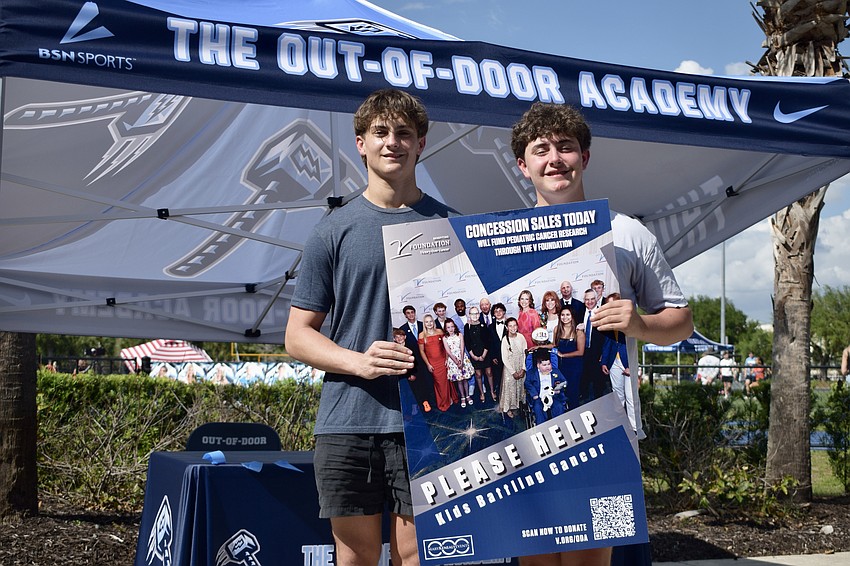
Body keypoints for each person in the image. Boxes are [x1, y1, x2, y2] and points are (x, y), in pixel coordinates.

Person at [511, 101, 692, 566]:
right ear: (522, 164)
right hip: (530, 432)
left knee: (596, 559)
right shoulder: (499, 243)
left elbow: (682, 320)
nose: (555, 159)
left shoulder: (627, 233)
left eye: (566, 148)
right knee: (537, 555)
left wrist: (640, 325)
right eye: (541, 149)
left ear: (585, 158)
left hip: (607, 429)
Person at [284, 88, 454, 566]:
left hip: (427, 419)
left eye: (404, 133)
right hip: (348, 420)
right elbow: (297, 335)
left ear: (421, 143)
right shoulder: (332, 230)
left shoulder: (454, 227)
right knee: (355, 554)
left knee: (418, 553)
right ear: (360, 143)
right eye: (380, 132)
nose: (392, 142)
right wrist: (358, 362)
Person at [600, 294, 639, 436]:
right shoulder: (608, 321)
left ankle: (634, 428)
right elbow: (607, 343)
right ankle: (620, 426)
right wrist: (604, 362)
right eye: (607, 304)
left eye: (613, 304)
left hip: (628, 362)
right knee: (618, 396)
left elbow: (633, 345)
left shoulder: (629, 319)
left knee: (631, 397)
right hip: (613, 362)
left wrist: (631, 365)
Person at [400, 306, 435, 412]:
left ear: (415, 313)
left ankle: (433, 402)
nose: (411, 315)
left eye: (412, 312)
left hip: (427, 360)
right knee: (418, 385)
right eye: (408, 313)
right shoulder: (403, 330)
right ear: (405, 315)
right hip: (414, 364)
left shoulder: (423, 325)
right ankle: (422, 403)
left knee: (430, 381)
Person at [578, 288, 608, 403]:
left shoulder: (602, 314)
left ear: (596, 299)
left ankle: (599, 406)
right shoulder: (579, 313)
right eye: (587, 299)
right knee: (583, 381)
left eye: (592, 299)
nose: (589, 302)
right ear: (584, 300)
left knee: (598, 385)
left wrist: (603, 355)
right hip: (583, 352)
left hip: (597, 354)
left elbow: (607, 337)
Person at [419, 314, 453, 412]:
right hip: (433, 363)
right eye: (426, 322)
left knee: (447, 380)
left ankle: (450, 398)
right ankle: (443, 402)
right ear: (424, 323)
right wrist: (428, 364)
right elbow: (422, 351)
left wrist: (447, 359)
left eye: (430, 321)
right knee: (439, 383)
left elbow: (445, 347)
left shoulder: (439, 331)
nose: (429, 323)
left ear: (433, 322)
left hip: (443, 360)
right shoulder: (422, 335)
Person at [553, 306, 585, 411]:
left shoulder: (579, 332)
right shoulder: (556, 329)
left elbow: (580, 352)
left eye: (567, 315)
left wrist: (562, 355)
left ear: (572, 316)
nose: (565, 317)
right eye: (562, 315)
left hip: (574, 366)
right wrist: (540, 346)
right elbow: (554, 345)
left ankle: (574, 414)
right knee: (561, 391)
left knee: (573, 391)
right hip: (561, 366)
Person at [524, 348, 567, 426]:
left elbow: (564, 382)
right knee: (537, 407)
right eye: (544, 365)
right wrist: (534, 394)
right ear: (538, 365)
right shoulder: (532, 373)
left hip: (553, 396)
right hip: (539, 396)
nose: (547, 367)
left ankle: (559, 426)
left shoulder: (555, 371)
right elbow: (527, 383)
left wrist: (558, 388)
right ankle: (542, 427)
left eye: (549, 364)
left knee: (559, 407)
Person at [465, 306, 496, 403]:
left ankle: (492, 391)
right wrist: (473, 356)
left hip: (485, 353)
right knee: (478, 374)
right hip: (474, 354)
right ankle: (482, 393)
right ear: (469, 315)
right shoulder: (467, 326)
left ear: (479, 314)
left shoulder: (483, 325)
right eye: (472, 314)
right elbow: (467, 342)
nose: (474, 316)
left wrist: (483, 355)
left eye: (476, 313)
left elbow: (488, 341)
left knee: (489, 373)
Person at [500, 317, 529, 418]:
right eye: (510, 326)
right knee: (510, 388)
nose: (513, 328)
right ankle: (508, 408)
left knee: (521, 386)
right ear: (506, 327)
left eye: (514, 325)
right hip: (510, 368)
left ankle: (520, 405)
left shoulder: (521, 337)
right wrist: (513, 372)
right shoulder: (505, 340)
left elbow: (526, 354)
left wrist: (523, 368)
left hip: (521, 365)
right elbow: (504, 358)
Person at [442, 319, 474, 407]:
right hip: (453, 361)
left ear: (455, 326)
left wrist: (461, 360)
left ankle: (468, 396)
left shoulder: (459, 335)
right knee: (459, 381)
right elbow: (448, 351)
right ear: (445, 328)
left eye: (452, 326)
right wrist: (456, 362)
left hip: (462, 358)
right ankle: (462, 397)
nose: (451, 329)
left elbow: (462, 348)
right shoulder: (444, 338)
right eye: (448, 327)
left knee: (465, 379)